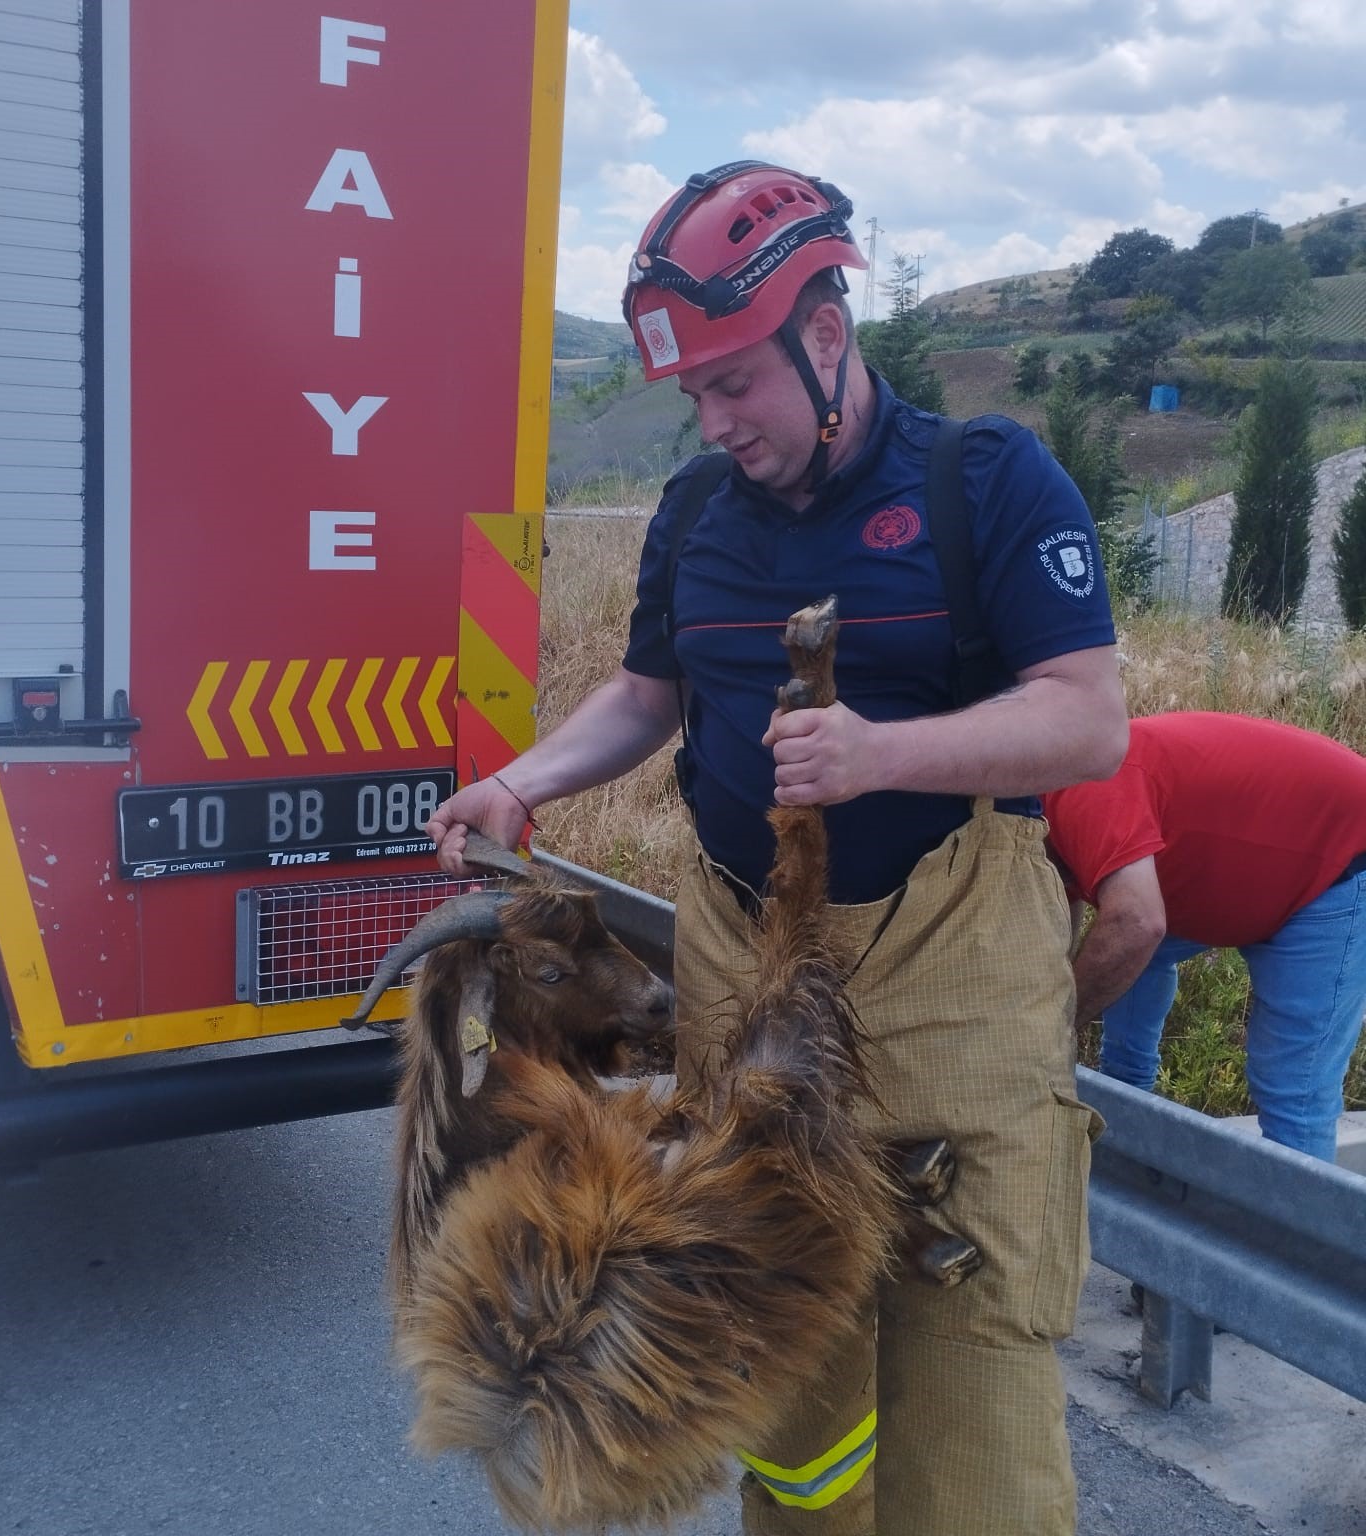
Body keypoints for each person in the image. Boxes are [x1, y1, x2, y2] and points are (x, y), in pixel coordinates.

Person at [428, 161, 1127, 1536]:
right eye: (694, 393)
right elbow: (649, 696)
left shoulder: (984, 483)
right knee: (785, 1382)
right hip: (747, 969)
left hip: (954, 984)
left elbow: (1088, 720)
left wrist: (883, 756)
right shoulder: (699, 515)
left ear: (824, 336)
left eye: (734, 382)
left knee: (970, 1393)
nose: (715, 419)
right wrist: (520, 780)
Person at [1043, 710, 1366, 1162]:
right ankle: (1122, 1118)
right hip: (1252, 855)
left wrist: (1050, 1031)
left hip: (1340, 854)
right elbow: (1064, 909)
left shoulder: (1083, 791)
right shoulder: (1043, 806)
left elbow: (1137, 924)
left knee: (1295, 1089)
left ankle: (1295, 1228)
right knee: (1126, 956)